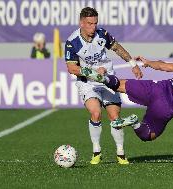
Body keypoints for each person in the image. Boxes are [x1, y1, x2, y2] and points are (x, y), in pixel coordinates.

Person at [64, 7, 143, 165]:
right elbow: (72, 68)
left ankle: (120, 153)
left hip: (107, 80)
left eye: (95, 23)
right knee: (96, 113)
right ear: (81, 23)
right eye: (89, 24)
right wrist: (94, 73)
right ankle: (96, 151)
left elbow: (117, 48)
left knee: (115, 118)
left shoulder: (102, 34)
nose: (93, 27)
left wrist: (132, 63)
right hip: (88, 83)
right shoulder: (72, 42)